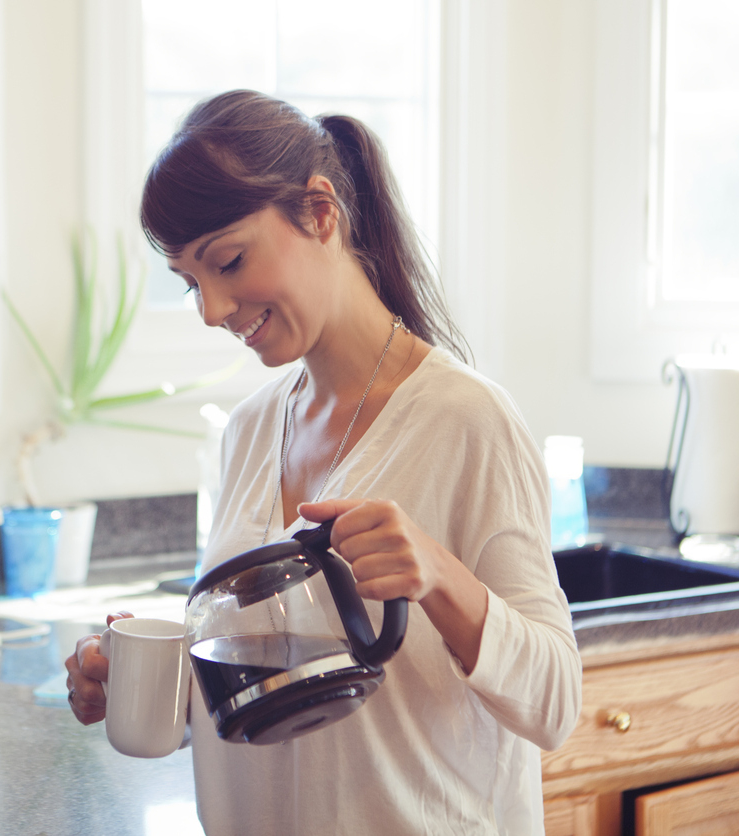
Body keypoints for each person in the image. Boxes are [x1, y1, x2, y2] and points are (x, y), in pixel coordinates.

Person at [64, 90, 582, 835]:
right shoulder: (247, 433)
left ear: (320, 211)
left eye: (228, 262)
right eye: (189, 283)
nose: (210, 309)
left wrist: (436, 573)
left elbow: (556, 704)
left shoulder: (470, 421)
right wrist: (145, 684)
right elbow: (274, 694)